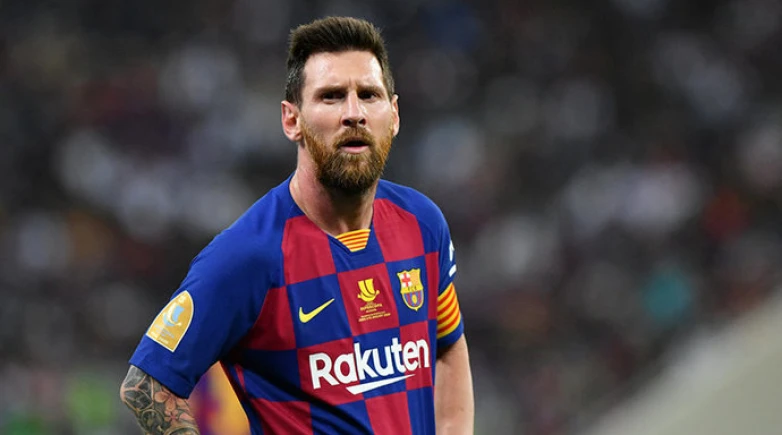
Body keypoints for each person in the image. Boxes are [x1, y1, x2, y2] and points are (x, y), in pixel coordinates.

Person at [120, 16, 474, 435]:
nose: (354, 113)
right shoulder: (250, 255)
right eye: (331, 97)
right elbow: (146, 385)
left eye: (368, 95)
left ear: (393, 115)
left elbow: (448, 348)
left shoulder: (422, 223)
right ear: (292, 121)